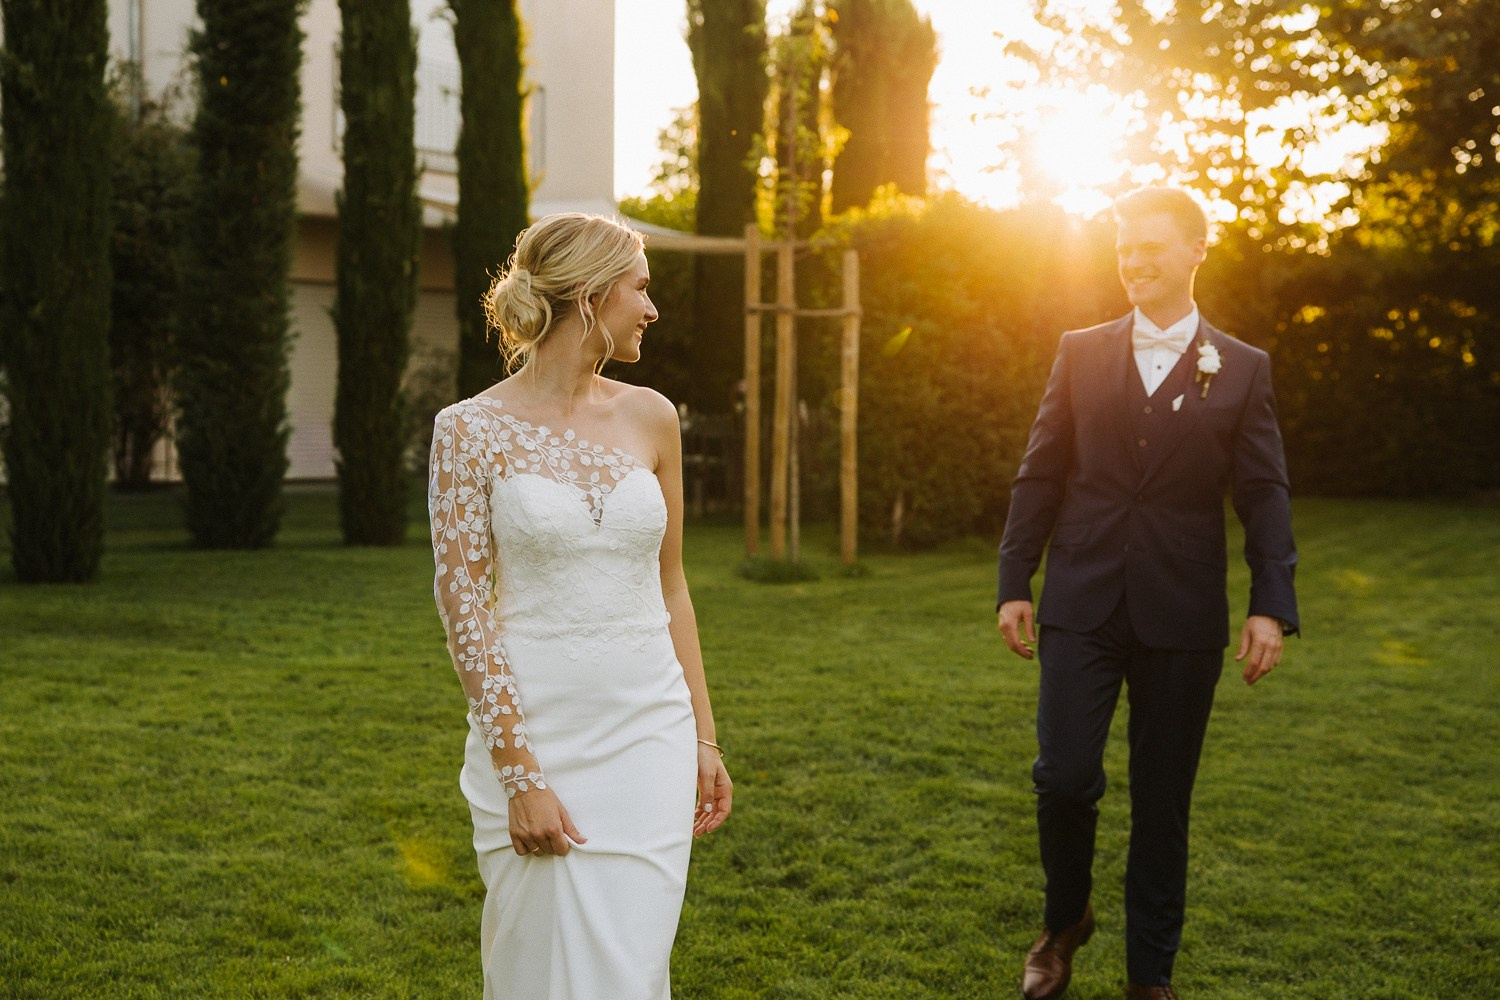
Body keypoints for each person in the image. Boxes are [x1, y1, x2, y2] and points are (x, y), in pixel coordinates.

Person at [996, 187, 1298, 1000]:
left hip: (1183, 610)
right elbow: (1040, 472)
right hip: (1081, 599)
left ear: (1198, 249)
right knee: (1064, 776)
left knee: (1163, 802)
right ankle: (1064, 922)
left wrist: (1271, 603)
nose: (1133, 261)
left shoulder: (1242, 368)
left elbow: (1264, 493)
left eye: (1151, 246)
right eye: (1125, 247)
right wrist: (1014, 579)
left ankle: (1150, 976)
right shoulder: (1079, 351)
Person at [427, 212, 732, 999]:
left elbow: (672, 586)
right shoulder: (467, 431)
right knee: (541, 966)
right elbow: (465, 610)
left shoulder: (653, 416)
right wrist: (519, 774)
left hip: (649, 732)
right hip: (537, 729)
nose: (652, 309)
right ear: (591, 296)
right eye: (641, 288)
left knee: (631, 970)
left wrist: (703, 736)